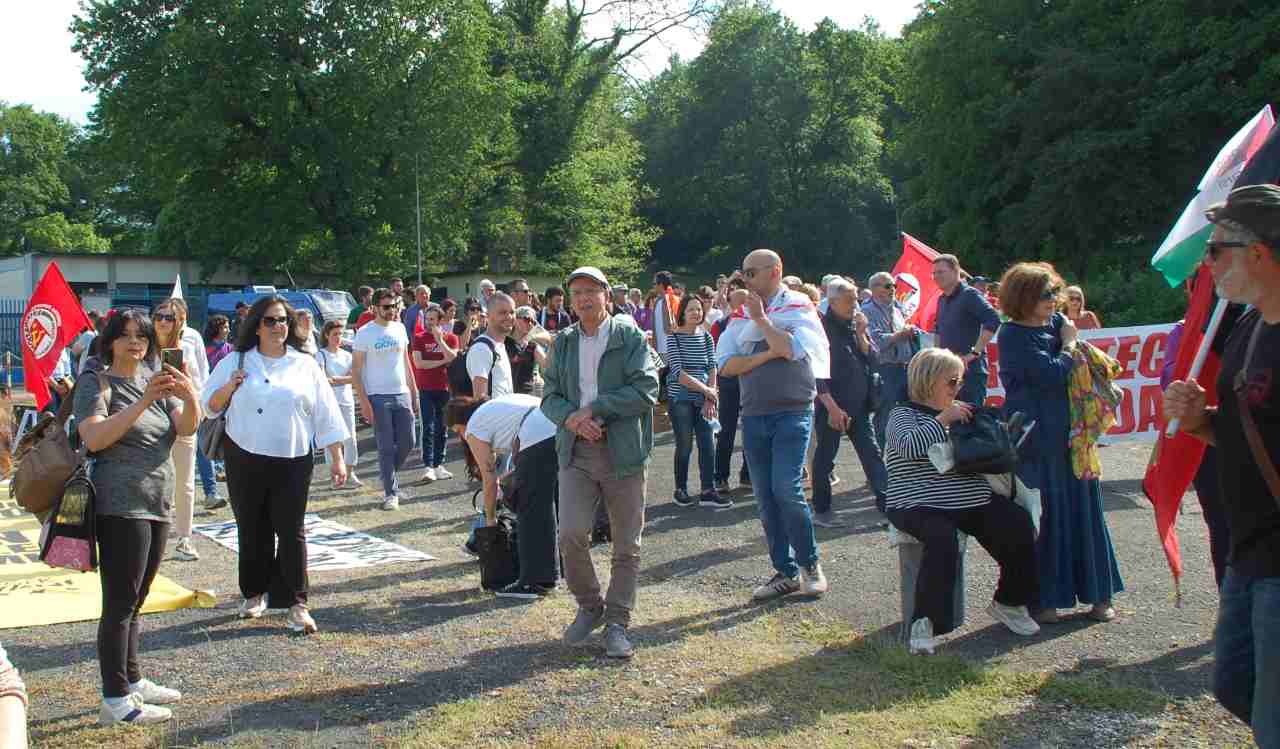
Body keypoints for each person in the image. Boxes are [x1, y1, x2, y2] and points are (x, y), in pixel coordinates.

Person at [1163, 184, 1280, 748]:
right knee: (1234, 685)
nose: (1207, 265)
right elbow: (1238, 432)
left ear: (1259, 252)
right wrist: (1199, 421)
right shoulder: (1249, 327)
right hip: (1248, 549)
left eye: (1217, 250)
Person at [75, 309, 201, 724]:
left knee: (138, 598)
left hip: (156, 501)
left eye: (142, 336)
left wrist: (190, 397)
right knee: (120, 603)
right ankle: (115, 699)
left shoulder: (155, 381)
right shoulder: (97, 381)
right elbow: (94, 437)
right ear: (110, 340)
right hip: (119, 504)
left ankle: (131, 679)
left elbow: (184, 428)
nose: (135, 343)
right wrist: (145, 400)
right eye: (125, 335)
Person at [204, 296, 348, 635]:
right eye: (270, 320)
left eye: (283, 320)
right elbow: (209, 406)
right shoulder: (235, 361)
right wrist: (231, 385)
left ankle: (297, 602)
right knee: (252, 528)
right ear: (256, 325)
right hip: (245, 454)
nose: (278, 326)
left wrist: (337, 456)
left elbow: (327, 411)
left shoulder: (305, 363)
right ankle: (254, 593)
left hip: (293, 456)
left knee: (291, 529)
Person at [884, 348, 1041, 654]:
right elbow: (906, 447)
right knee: (941, 540)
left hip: (968, 496)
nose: (958, 388)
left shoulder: (963, 411)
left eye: (960, 381)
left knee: (1019, 524)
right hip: (916, 500)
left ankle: (1009, 602)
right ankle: (924, 622)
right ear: (929, 381)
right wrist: (943, 419)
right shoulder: (901, 414)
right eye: (952, 381)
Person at [541, 266, 658, 659]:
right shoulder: (564, 342)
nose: (584, 299)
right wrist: (574, 418)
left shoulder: (629, 337)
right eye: (577, 293)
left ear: (607, 295)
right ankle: (590, 606)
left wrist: (597, 410)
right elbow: (549, 397)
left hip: (623, 451)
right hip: (576, 450)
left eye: (591, 291)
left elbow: (647, 389)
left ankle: (618, 623)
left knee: (627, 544)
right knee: (571, 534)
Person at [998, 262, 1123, 623]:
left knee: (1085, 513)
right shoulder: (1012, 335)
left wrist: (1069, 342)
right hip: (1038, 441)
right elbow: (1050, 374)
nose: (1055, 300)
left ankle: (1100, 595)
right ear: (1023, 298)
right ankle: (1046, 600)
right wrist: (1069, 345)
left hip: (1074, 436)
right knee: (1047, 519)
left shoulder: (1056, 324)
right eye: (1046, 295)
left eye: (1055, 292)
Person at [716, 249, 830, 601]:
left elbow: (793, 349)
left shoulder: (797, 305)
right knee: (765, 498)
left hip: (792, 411)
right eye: (743, 273)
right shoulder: (740, 316)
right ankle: (785, 570)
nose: (745, 280)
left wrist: (763, 322)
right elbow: (726, 366)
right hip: (754, 414)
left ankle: (809, 563)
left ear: (775, 272)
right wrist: (764, 351)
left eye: (752, 273)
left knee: (786, 488)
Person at [461, 394, 561, 599]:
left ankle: (535, 582)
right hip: (559, 424)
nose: (461, 436)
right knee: (551, 502)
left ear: (459, 424)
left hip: (537, 433)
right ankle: (554, 572)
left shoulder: (473, 427)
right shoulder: (494, 410)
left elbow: (489, 481)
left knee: (530, 507)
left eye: (456, 431)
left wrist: (489, 519)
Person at [813, 279, 888, 525]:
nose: (855, 304)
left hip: (860, 405)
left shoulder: (855, 325)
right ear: (833, 301)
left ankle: (888, 507)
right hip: (833, 407)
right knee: (825, 459)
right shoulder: (821, 328)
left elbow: (874, 358)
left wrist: (860, 334)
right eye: (850, 300)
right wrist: (831, 407)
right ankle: (821, 510)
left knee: (872, 456)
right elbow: (817, 374)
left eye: (856, 299)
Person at [152, 297, 211, 563]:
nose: (163, 321)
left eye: (169, 317)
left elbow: (202, 376)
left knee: (185, 480)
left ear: (181, 320)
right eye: (159, 316)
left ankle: (185, 538)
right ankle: (154, 534)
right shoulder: (143, 344)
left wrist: (198, 401)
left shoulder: (192, 340)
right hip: (152, 418)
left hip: (184, 414)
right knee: (153, 478)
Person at [352, 288, 419, 511]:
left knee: (409, 442)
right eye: (386, 307)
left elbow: (406, 363)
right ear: (375, 308)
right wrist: (363, 401)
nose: (392, 310)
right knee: (385, 447)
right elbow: (357, 370)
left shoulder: (400, 329)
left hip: (402, 393)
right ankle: (391, 492)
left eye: (394, 306)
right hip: (377, 396)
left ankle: (388, 474)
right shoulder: (365, 333)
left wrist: (414, 391)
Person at [666, 293, 728, 509]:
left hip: (704, 398)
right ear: (682, 311)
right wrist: (708, 391)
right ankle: (680, 489)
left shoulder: (707, 337)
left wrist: (710, 396)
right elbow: (677, 372)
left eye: (699, 309)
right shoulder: (673, 337)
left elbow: (712, 366)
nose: (696, 313)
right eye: (691, 309)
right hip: (680, 398)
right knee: (684, 444)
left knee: (707, 443)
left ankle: (708, 490)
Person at [931, 254, 1001, 406]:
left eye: (940, 272)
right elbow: (938, 329)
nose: (936, 276)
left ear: (956, 271)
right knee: (953, 423)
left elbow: (993, 320)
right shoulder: (941, 299)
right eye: (934, 273)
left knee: (972, 422)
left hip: (970, 373)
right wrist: (937, 357)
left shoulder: (969, 295)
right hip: (948, 372)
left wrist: (974, 353)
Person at [864, 272, 920, 448]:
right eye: (888, 286)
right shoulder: (866, 311)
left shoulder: (896, 310)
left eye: (894, 286)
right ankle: (879, 465)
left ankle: (900, 458)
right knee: (884, 416)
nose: (893, 289)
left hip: (904, 369)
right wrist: (901, 334)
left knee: (905, 416)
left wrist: (911, 332)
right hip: (885, 370)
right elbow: (876, 342)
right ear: (874, 289)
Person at [712, 276, 751, 493]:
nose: (743, 306)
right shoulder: (721, 324)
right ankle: (720, 477)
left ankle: (747, 475)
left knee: (751, 430)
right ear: (731, 304)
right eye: (740, 302)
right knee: (726, 431)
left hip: (751, 382)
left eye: (746, 302)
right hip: (728, 382)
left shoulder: (757, 321)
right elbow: (715, 356)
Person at [411, 305, 457, 482]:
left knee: (442, 428)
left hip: (444, 388)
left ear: (441, 321)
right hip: (426, 389)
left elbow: (453, 358)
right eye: (426, 319)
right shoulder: (419, 338)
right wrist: (443, 361)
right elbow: (419, 363)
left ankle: (439, 465)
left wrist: (440, 340)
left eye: (432, 319)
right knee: (428, 428)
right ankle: (428, 466)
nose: (428, 323)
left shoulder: (450, 338)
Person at [317, 320, 363, 489]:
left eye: (340, 334)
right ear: (327, 335)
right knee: (333, 437)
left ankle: (350, 473)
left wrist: (337, 379)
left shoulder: (347, 355)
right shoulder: (320, 355)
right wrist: (342, 380)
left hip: (346, 400)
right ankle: (335, 474)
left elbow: (356, 378)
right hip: (329, 402)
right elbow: (323, 380)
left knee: (350, 437)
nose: (338, 337)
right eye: (335, 334)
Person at [200, 314, 234, 508]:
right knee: (207, 442)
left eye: (229, 326)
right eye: (225, 326)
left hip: (227, 403)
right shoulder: (206, 350)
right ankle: (211, 488)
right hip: (208, 403)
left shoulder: (232, 351)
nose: (228, 329)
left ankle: (214, 485)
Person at [468, 293, 516, 399]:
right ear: (488, 315)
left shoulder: (500, 345)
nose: (509, 317)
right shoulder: (482, 348)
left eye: (512, 312)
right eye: (503, 313)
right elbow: (479, 398)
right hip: (493, 415)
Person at [510, 306, 551, 395]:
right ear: (515, 320)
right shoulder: (504, 342)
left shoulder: (532, 346)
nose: (530, 323)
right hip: (507, 393)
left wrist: (532, 336)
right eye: (527, 319)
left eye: (533, 322)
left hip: (528, 393)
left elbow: (547, 364)